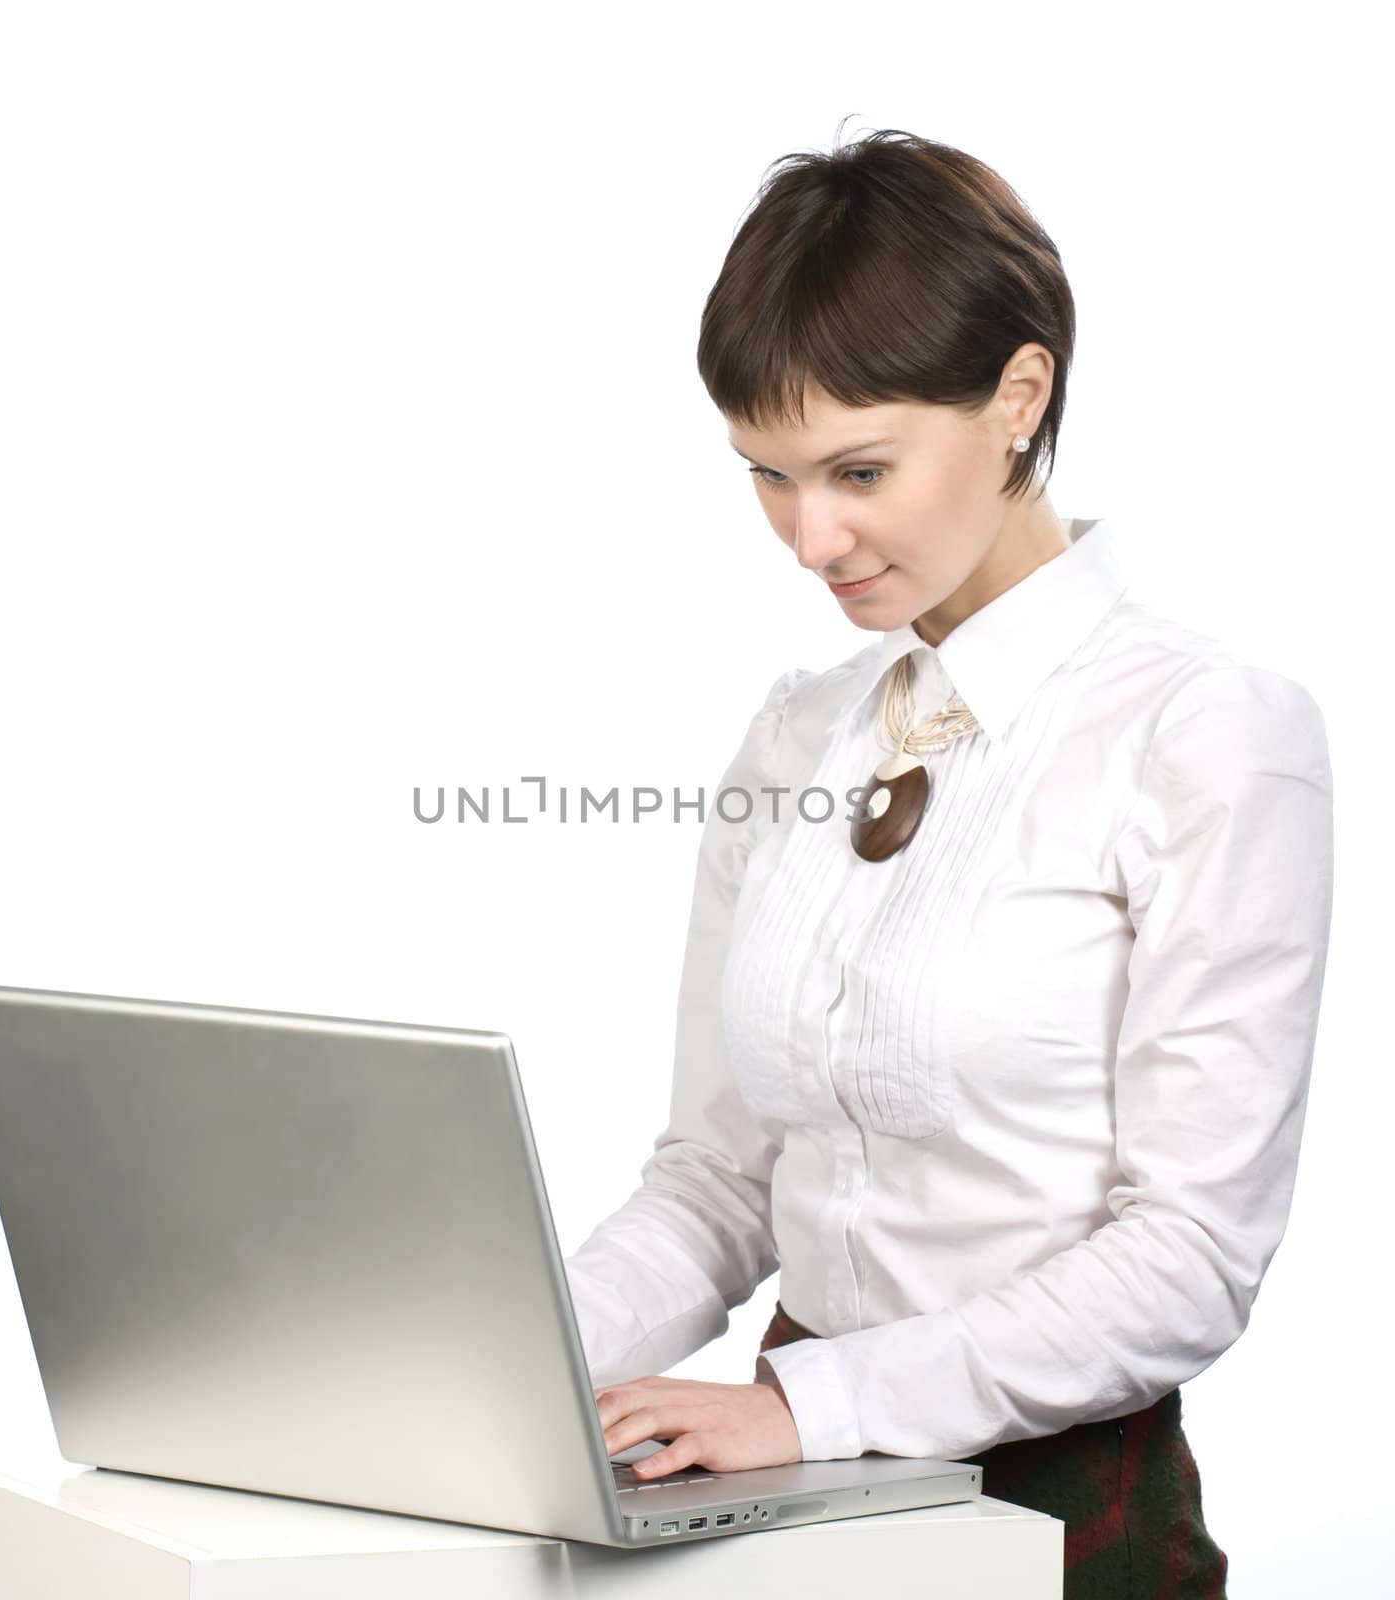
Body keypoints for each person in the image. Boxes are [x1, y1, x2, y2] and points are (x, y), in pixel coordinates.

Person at [561, 124, 1333, 1598]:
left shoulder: (1208, 731)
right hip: (772, 1485)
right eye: (766, 476)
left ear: (1017, 394)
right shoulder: (798, 733)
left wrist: (810, 1405)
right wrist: (509, 1367)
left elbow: (1189, 1255)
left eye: (856, 469)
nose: (807, 536)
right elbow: (722, 1179)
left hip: (1052, 1505)